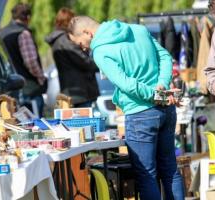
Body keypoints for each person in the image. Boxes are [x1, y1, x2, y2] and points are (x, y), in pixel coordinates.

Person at [68, 16, 184, 200]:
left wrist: (156, 95)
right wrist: (162, 85)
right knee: (169, 169)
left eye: (81, 44)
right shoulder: (138, 30)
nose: (83, 48)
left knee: (147, 175)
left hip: (140, 113)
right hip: (165, 108)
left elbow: (127, 85)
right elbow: (165, 57)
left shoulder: (101, 50)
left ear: (87, 33)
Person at [45, 7, 99, 108]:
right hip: (81, 90)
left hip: (72, 89)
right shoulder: (65, 40)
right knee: (86, 121)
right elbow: (83, 60)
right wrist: (100, 64)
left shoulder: (58, 40)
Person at [0, 3, 47, 118]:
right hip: (28, 88)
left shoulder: (1, 33)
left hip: (10, 87)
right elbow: (30, 61)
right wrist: (41, 78)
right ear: (28, 17)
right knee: (35, 124)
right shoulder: (23, 33)